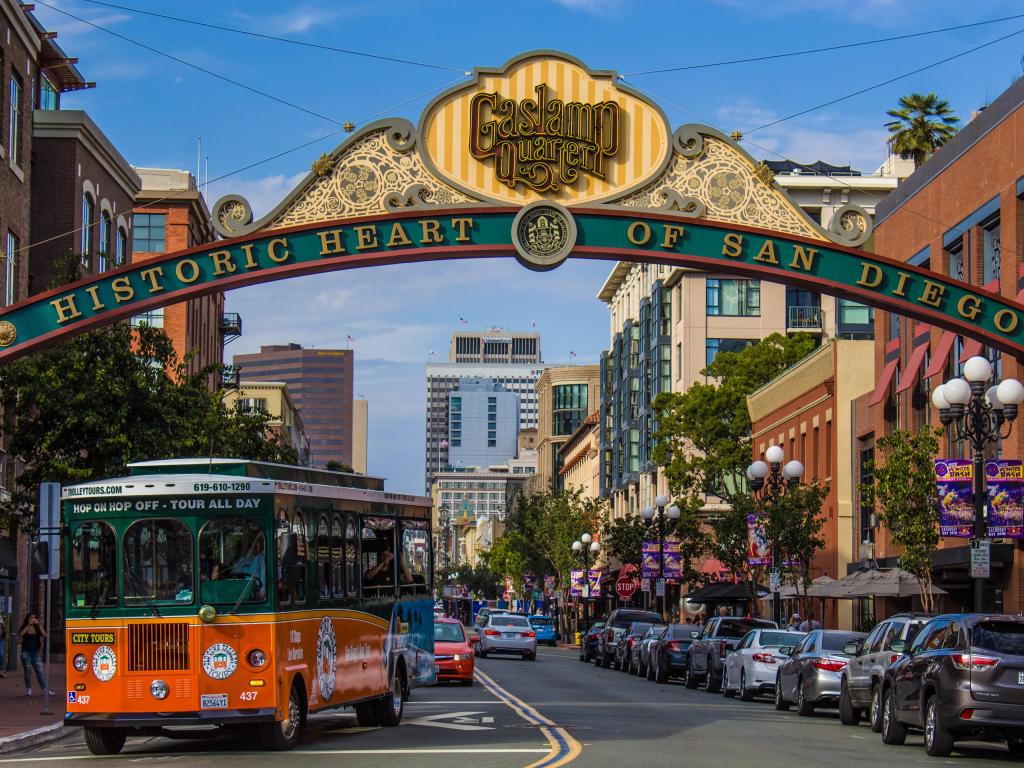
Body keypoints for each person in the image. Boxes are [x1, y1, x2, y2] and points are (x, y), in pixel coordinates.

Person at [18, 613, 51, 696]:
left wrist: (38, 625)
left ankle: (45, 689)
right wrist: (28, 625)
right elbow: (21, 634)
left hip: (35, 653)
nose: (32, 619)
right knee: (27, 671)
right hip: (26, 652)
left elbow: (44, 634)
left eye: (34, 617)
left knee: (39, 671)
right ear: (28, 619)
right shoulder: (25, 627)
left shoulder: (37, 627)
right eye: (31, 618)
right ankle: (28, 689)